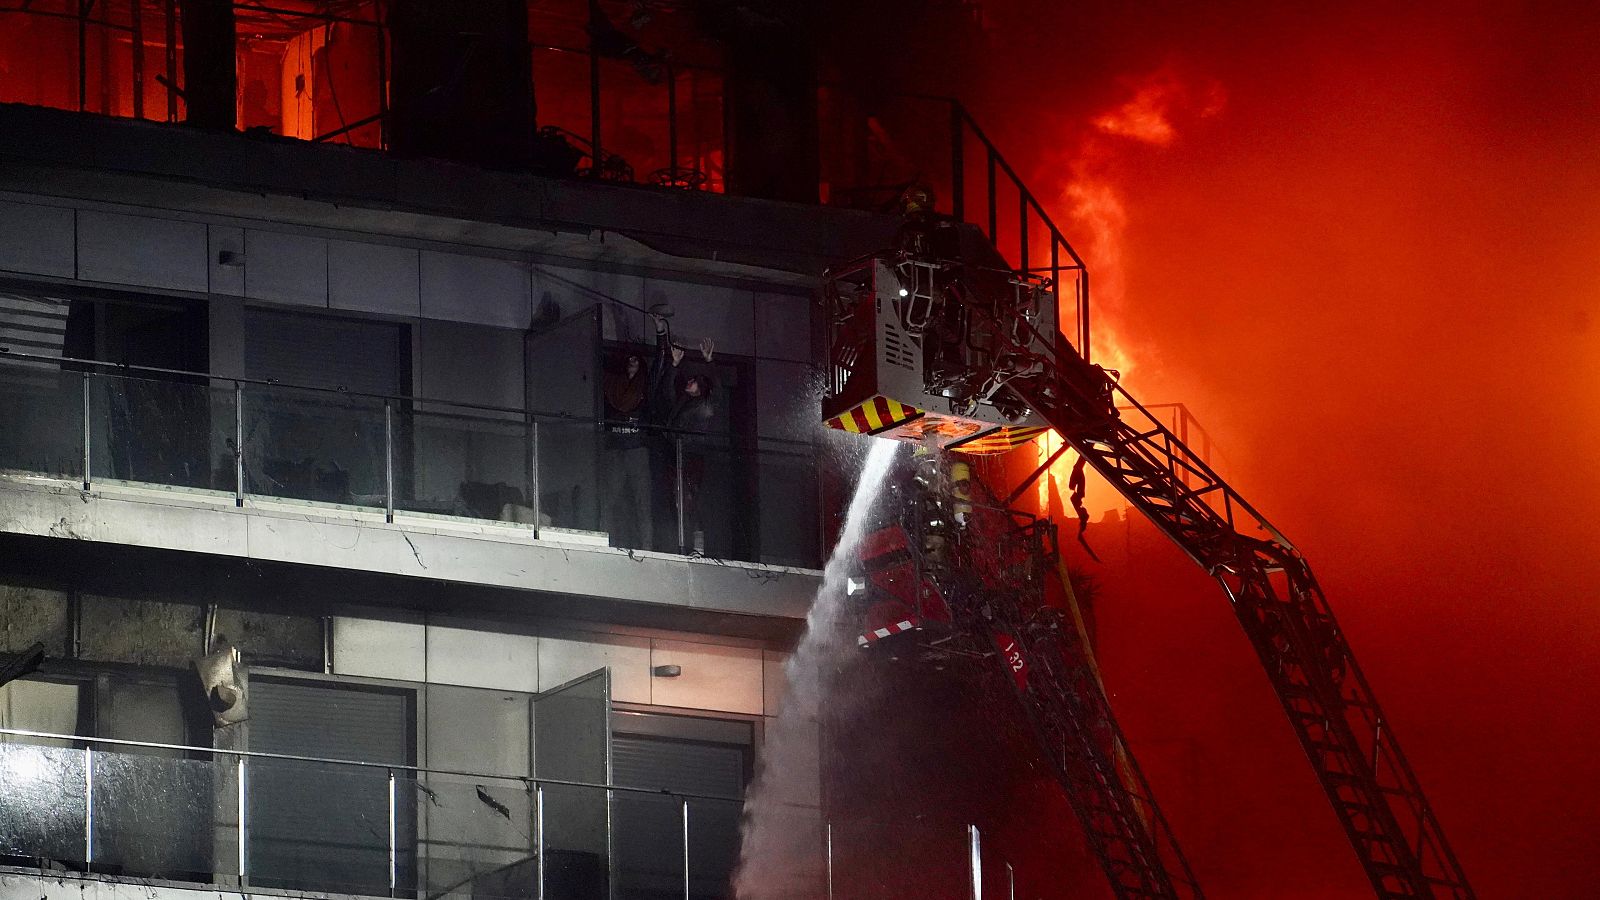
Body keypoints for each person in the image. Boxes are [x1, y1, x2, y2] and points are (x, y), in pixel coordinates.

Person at [644, 308, 716, 552]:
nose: (689, 382)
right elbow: (664, 390)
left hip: (692, 457)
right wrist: (673, 365)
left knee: (690, 501)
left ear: (701, 386)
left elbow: (712, 387)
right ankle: (681, 544)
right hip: (677, 455)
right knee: (677, 501)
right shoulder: (684, 403)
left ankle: (697, 547)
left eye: (694, 380)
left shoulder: (705, 406)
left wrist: (708, 362)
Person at [602, 352, 651, 548]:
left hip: (636, 448)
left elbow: (659, 374)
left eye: (636, 359)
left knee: (642, 502)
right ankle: (605, 542)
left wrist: (660, 333)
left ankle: (648, 548)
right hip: (615, 448)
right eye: (629, 359)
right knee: (609, 500)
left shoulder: (644, 385)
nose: (631, 362)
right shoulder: (614, 383)